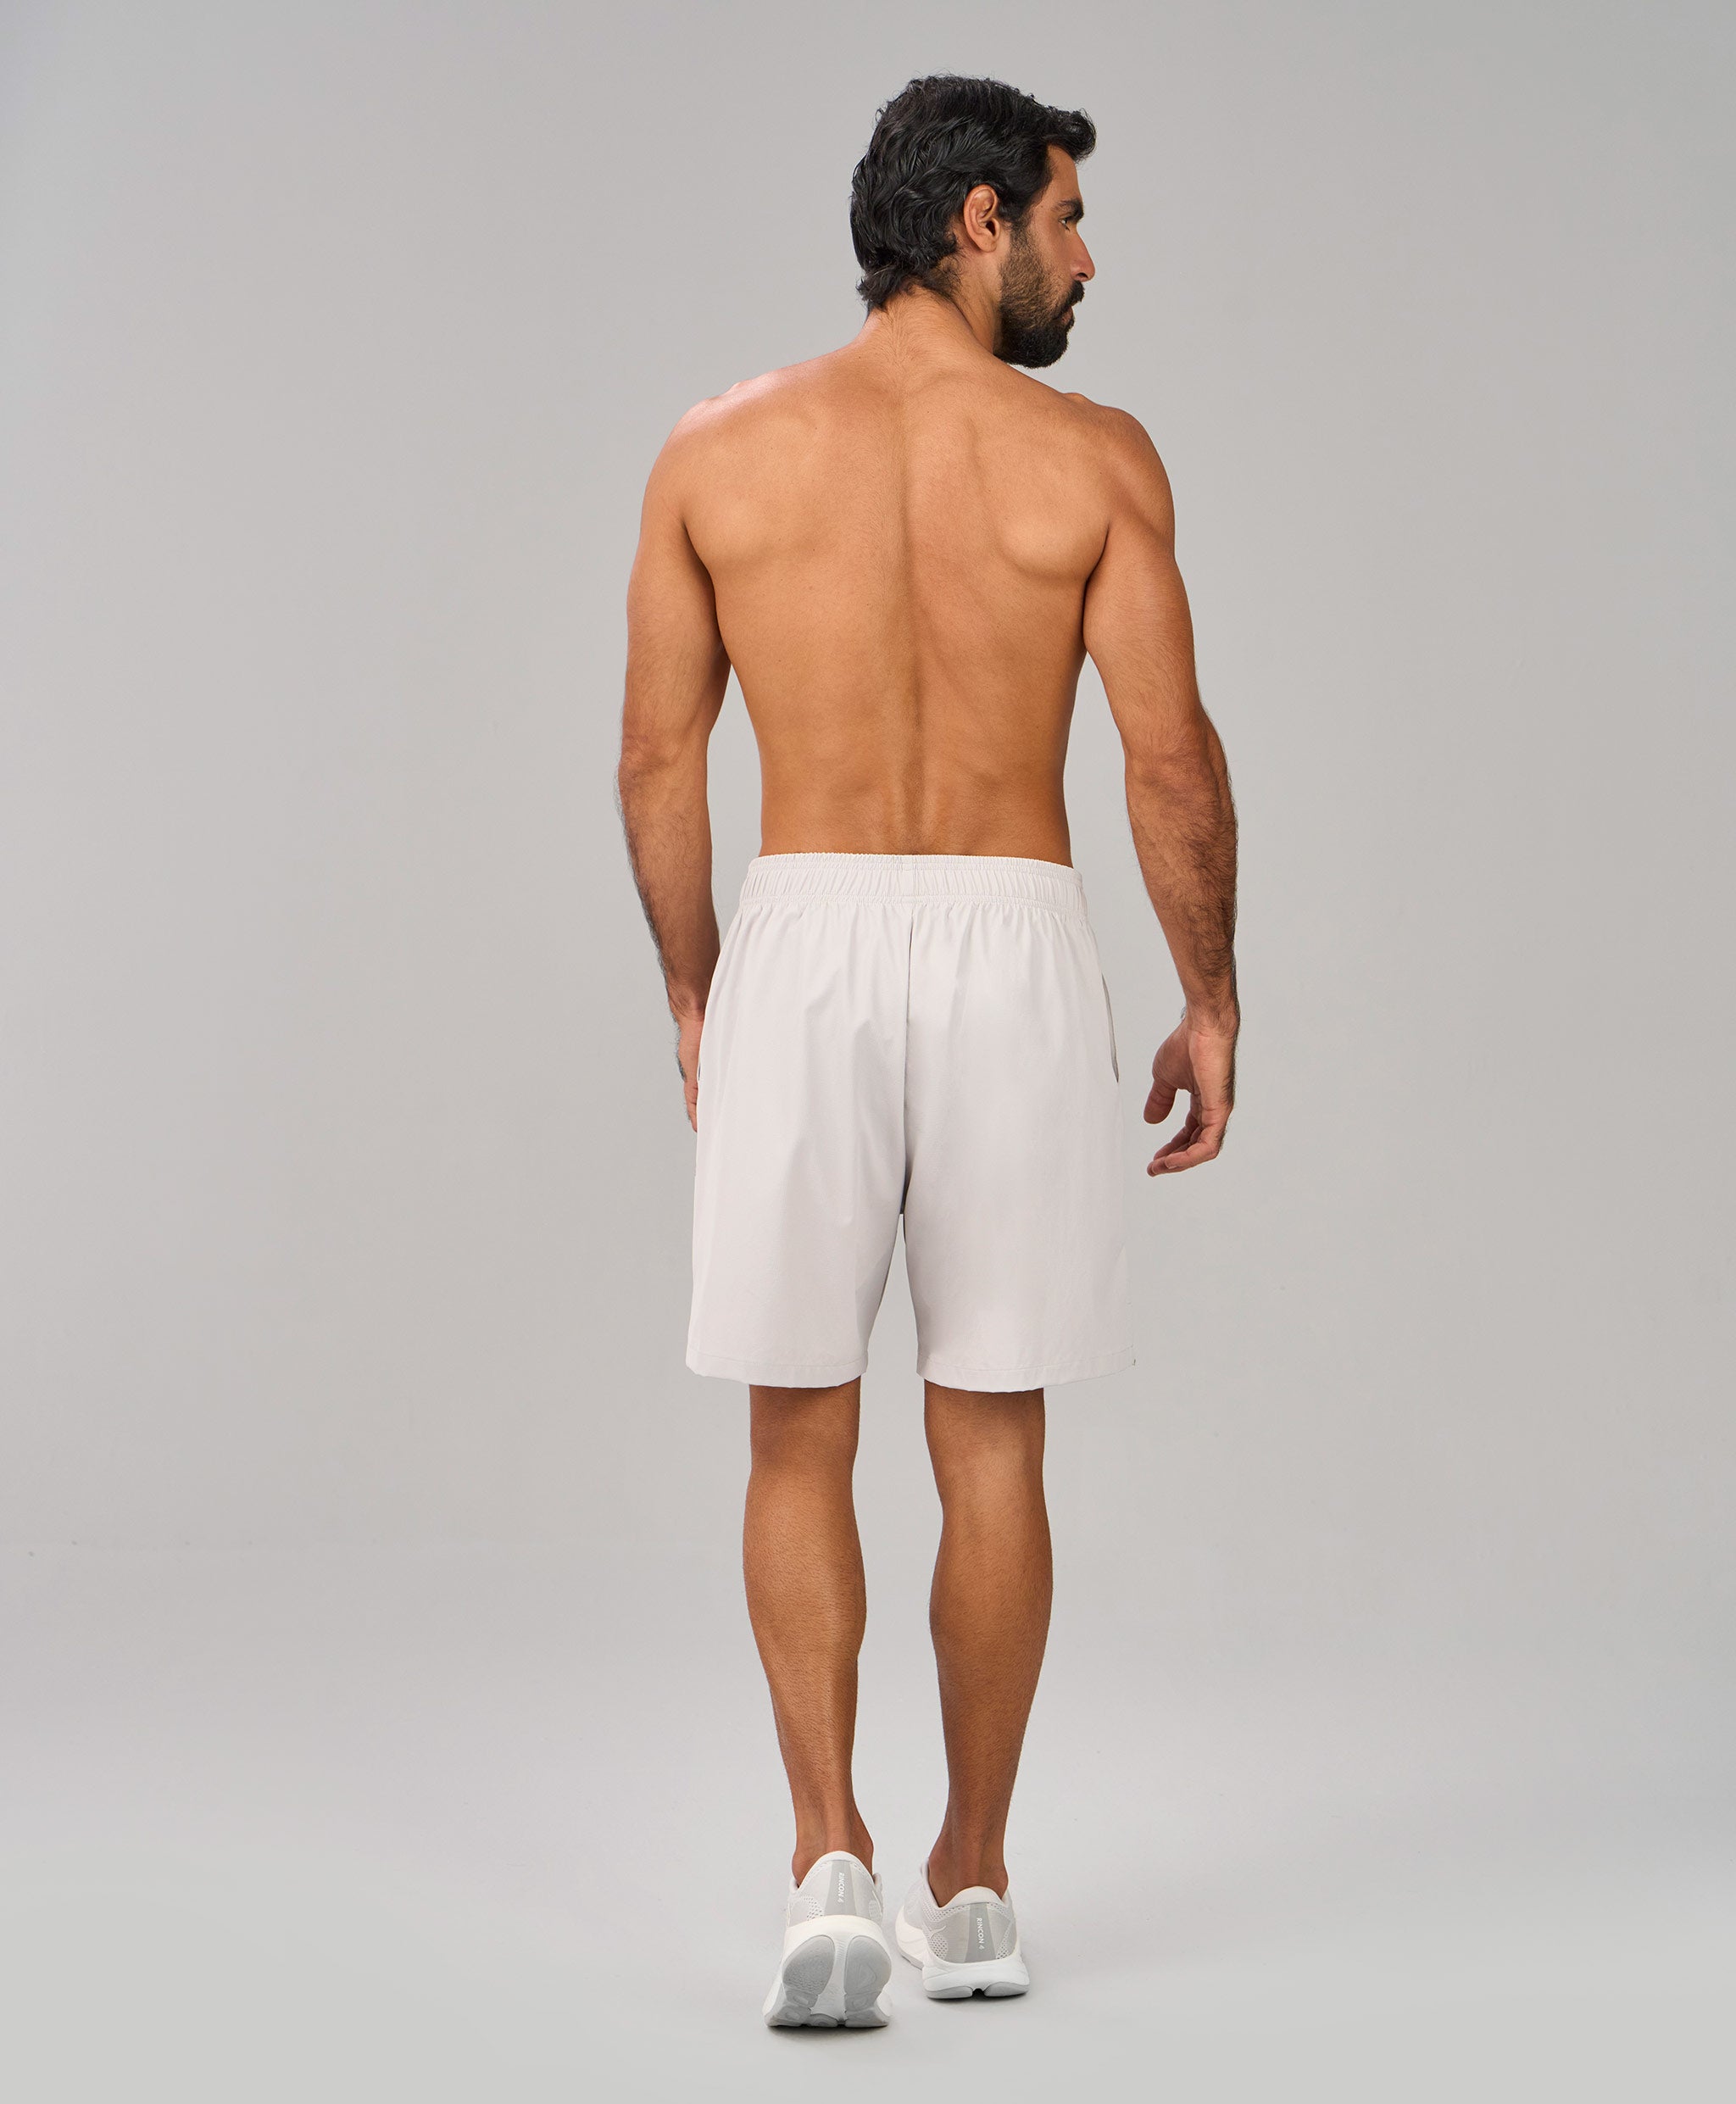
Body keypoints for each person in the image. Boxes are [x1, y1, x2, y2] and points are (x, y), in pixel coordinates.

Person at [615, 73, 1238, 2027]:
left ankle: (826, 1852)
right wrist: (1211, 994)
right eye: (1064, 217)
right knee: (992, 1428)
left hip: (800, 932)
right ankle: (970, 1879)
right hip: (1010, 932)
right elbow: (1165, 758)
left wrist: (698, 987)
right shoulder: (1094, 460)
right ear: (977, 221)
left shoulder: (716, 451)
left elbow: (654, 759)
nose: (1085, 259)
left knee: (794, 1420)